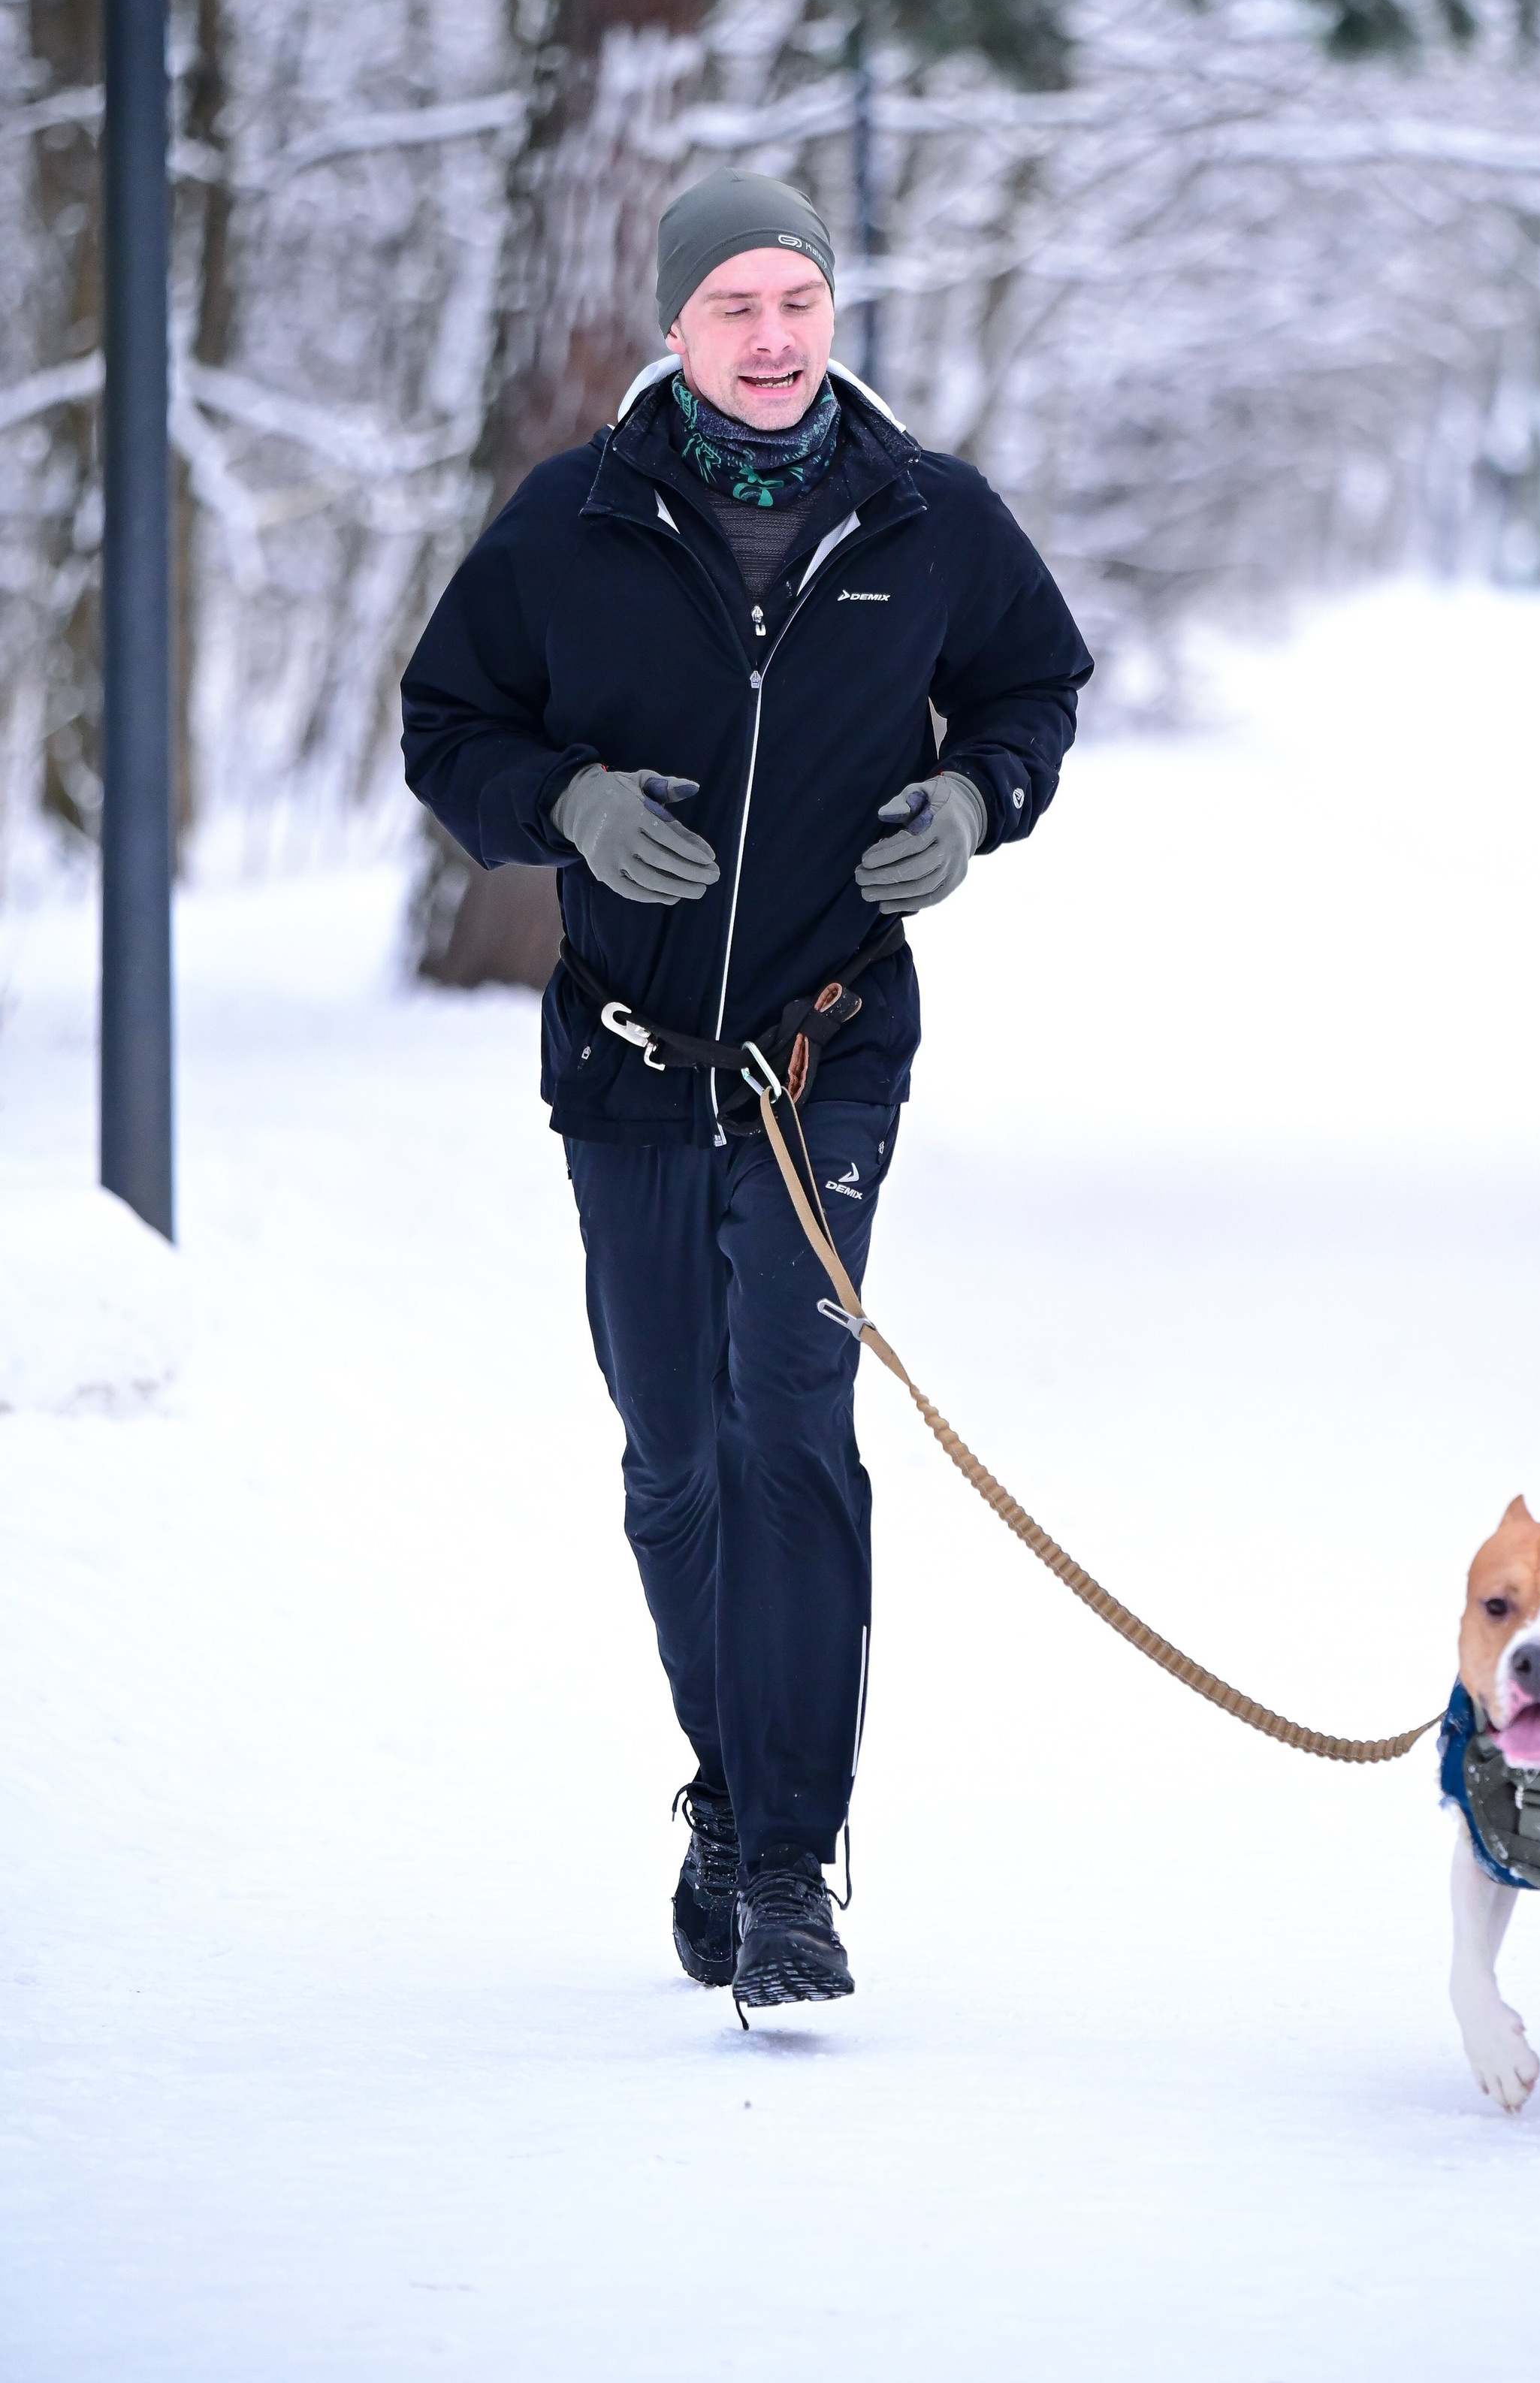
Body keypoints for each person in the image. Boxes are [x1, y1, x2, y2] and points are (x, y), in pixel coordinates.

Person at [400, 171, 1091, 2009]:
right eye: (735, 305)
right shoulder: (575, 521)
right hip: (628, 1063)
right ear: (676, 326)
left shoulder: (925, 515)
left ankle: (786, 1858)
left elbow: (1033, 688)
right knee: (674, 1448)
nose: (774, 334)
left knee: (789, 1418)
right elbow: (446, 718)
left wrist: (970, 804)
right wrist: (557, 808)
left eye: (799, 296)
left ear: (832, 310)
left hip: (826, 1047)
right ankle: (724, 1791)